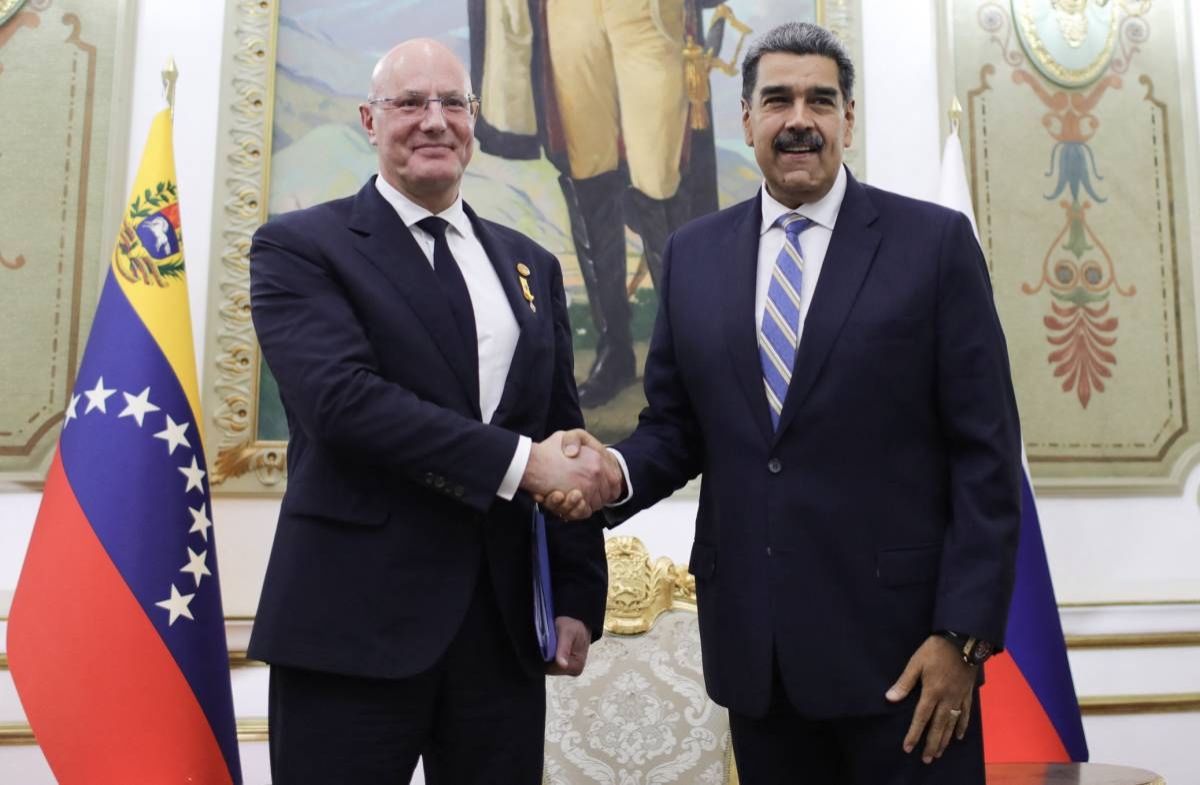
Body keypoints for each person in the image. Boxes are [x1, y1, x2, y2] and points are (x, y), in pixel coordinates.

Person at [546, 21, 1023, 785]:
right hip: (759, 660)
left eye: (819, 100)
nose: (799, 118)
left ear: (848, 119)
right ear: (746, 119)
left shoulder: (931, 246)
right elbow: (674, 427)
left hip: (906, 660)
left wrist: (961, 638)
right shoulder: (693, 256)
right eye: (778, 99)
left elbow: (987, 455)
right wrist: (608, 474)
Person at [246, 39, 618, 784]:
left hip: (501, 632)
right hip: (349, 626)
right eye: (411, 103)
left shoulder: (530, 265)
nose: (435, 121)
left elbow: (558, 425)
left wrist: (576, 596)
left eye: (454, 104)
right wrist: (523, 464)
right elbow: (344, 403)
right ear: (369, 120)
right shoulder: (299, 248)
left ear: (475, 124)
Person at [468, 0, 723, 407]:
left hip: (649, 12)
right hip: (570, 13)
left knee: (662, 177)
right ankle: (615, 350)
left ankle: (686, 352)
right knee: (588, 176)